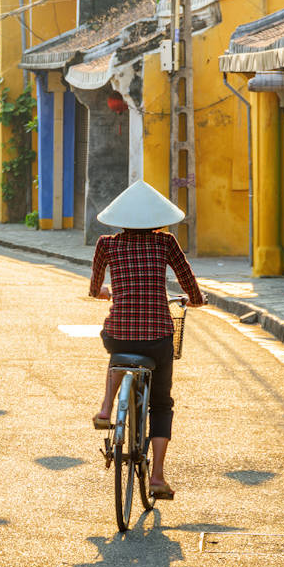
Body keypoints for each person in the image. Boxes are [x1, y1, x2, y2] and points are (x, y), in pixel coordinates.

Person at [88, 180, 206, 500]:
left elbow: (94, 287)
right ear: (157, 219)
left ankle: (106, 408)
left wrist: (104, 293)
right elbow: (189, 282)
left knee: (117, 351)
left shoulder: (106, 245)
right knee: (161, 404)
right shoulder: (165, 243)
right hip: (157, 337)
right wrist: (195, 299)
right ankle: (156, 477)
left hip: (119, 334)